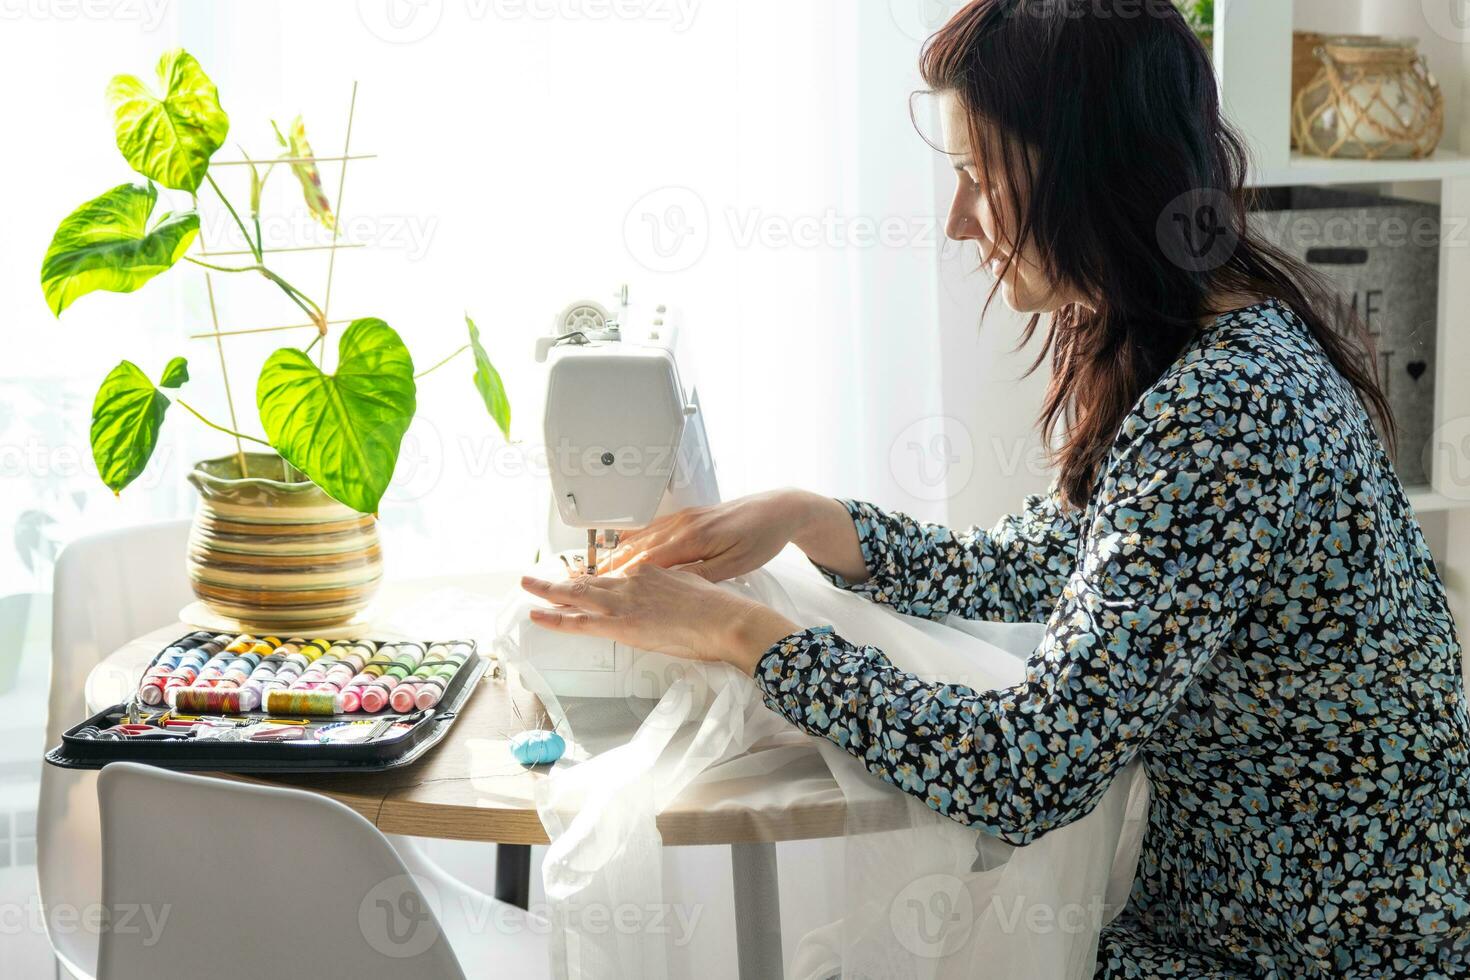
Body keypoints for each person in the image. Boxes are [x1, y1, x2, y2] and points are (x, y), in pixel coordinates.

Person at [521, 1, 1470, 975]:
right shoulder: (1202, 341)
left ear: (1085, 170)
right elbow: (1039, 565)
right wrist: (809, 517)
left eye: (979, 175)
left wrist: (738, 631)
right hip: (1240, 922)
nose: (957, 219)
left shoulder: (1229, 407)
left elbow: (1026, 767)